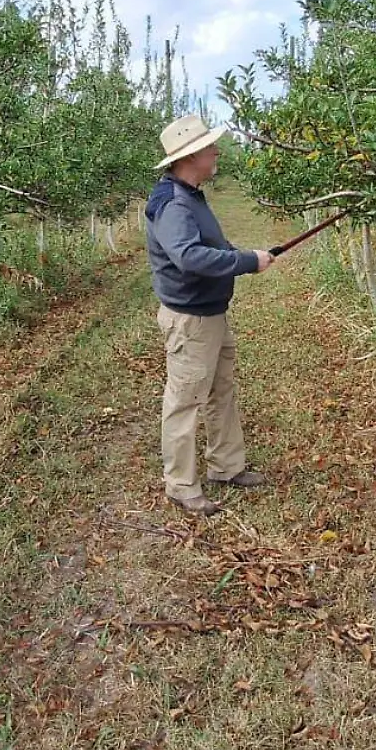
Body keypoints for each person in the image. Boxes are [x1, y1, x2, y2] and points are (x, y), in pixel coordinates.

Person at [144, 113, 274, 516]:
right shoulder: (171, 203)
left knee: (221, 391)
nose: (217, 151)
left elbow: (210, 244)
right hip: (192, 322)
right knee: (184, 403)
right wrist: (247, 261)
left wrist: (241, 255)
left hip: (211, 315)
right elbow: (189, 257)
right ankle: (181, 486)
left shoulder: (191, 195)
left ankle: (226, 466)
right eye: (210, 147)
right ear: (190, 156)